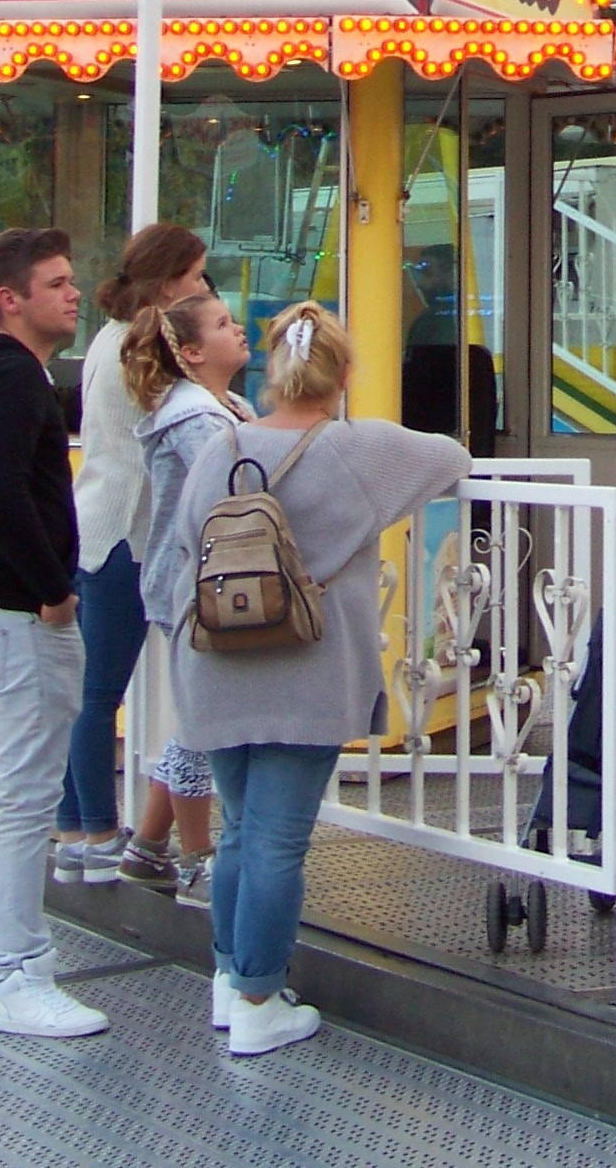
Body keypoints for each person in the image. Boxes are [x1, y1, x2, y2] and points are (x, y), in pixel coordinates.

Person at [148, 303, 468, 1054]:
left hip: (214, 665)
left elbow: (183, 545)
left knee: (238, 830)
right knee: (278, 840)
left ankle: (231, 977)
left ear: (274, 371)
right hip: (307, 672)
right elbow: (453, 459)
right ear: (343, 375)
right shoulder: (360, 449)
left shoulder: (221, 446)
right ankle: (260, 1001)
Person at [0, 226, 108, 1038]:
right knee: (23, 799)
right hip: (12, 617)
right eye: (57, 283)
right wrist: (53, 592)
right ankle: (20, 974)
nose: (74, 294)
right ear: (11, 299)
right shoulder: (16, 383)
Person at [55, 223, 211, 888]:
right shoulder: (141, 350)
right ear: (169, 283)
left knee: (87, 691)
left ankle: (73, 828)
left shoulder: (106, 338)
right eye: (196, 276)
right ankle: (98, 831)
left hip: (97, 525)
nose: (204, 287)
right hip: (128, 534)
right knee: (98, 693)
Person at [116, 285, 258, 909]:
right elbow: (234, 491)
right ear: (194, 353)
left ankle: (149, 846)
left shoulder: (223, 408)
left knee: (200, 713)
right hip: (200, 586)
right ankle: (197, 856)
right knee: (205, 720)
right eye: (224, 324)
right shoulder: (198, 421)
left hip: (200, 583)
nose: (239, 329)